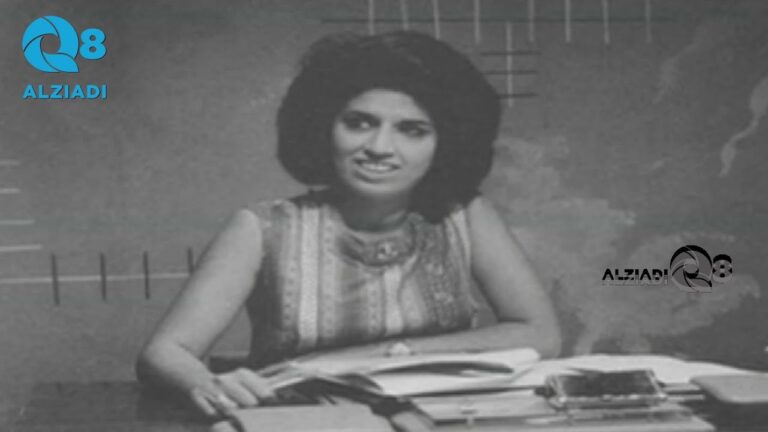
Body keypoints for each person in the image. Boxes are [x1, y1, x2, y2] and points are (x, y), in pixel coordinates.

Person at [136, 30, 561, 417]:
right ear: (325, 127)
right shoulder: (261, 228)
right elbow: (164, 352)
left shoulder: (465, 214)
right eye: (359, 123)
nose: (379, 147)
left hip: (436, 419)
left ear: (444, 145)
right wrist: (207, 384)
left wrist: (381, 355)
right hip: (301, 420)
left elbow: (541, 334)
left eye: (412, 130)